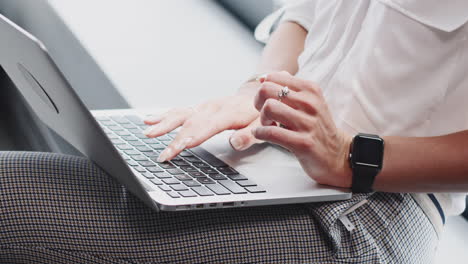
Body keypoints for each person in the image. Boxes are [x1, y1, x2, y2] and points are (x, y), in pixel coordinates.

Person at [1, 0, 467, 263]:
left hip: (373, 206)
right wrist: (255, 93)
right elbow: (302, 16)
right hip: (275, 150)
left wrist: (349, 156)